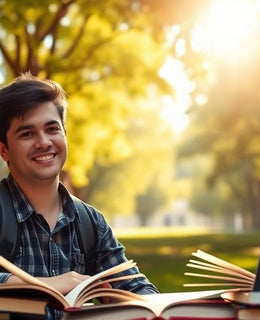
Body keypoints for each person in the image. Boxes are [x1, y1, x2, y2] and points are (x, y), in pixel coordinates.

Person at [0, 72, 158, 319]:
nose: (43, 142)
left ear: (64, 135)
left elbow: (137, 288)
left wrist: (137, 301)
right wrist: (41, 286)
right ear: (4, 150)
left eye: (52, 129)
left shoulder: (92, 223)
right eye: (27, 134)